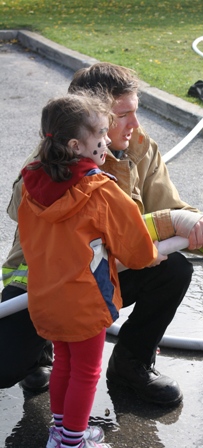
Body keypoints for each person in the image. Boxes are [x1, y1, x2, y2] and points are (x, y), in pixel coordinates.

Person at [0, 62, 203, 408]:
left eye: (135, 112)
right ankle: (39, 356)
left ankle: (131, 365)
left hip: (97, 275)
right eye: (122, 115)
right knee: (5, 367)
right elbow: (30, 207)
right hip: (39, 287)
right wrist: (97, 171)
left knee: (173, 270)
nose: (134, 125)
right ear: (87, 120)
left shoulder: (141, 148)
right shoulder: (55, 159)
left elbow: (174, 215)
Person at [17, 92, 167, 448]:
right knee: (86, 371)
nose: (105, 141)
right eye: (100, 134)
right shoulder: (100, 190)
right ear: (75, 145)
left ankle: (61, 430)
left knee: (64, 365)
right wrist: (153, 256)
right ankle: (72, 440)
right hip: (84, 302)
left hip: (47, 299)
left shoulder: (30, 186)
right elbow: (134, 246)